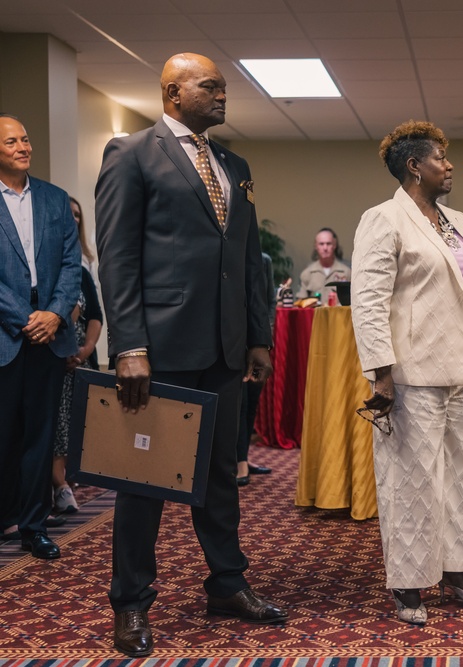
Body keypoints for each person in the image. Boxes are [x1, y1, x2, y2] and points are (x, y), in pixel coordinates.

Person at [95, 53, 286, 657]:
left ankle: (227, 584)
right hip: (160, 348)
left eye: (224, 87)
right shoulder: (132, 154)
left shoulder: (233, 163)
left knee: (220, 477)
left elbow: (253, 259)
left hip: (226, 348)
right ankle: (130, 603)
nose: (222, 95)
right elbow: (118, 257)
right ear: (172, 92)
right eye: (211, 86)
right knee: (144, 482)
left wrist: (259, 335)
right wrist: (128, 344)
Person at [351, 120, 463, 626]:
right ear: (414, 166)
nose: (449, 165)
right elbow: (367, 302)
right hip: (411, 374)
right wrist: (379, 372)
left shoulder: (458, 222)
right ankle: (408, 584)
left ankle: (457, 574)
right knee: (410, 479)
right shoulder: (383, 220)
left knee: (459, 476)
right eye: (440, 157)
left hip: (462, 372)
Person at [0, 113, 80, 558]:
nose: (22, 146)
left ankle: (34, 527)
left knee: (40, 436)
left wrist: (52, 314)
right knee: (4, 435)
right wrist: (26, 317)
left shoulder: (54, 199)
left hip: (51, 335)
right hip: (7, 333)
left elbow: (71, 266)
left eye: (25, 139)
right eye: (11, 141)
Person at [52, 197, 104, 514]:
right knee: (56, 424)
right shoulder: (46, 267)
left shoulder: (82, 270)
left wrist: (84, 351)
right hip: (52, 358)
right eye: (66, 215)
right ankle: (58, 485)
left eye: (77, 216)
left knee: (76, 423)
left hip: (79, 359)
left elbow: (95, 315)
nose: (72, 220)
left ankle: (65, 481)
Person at [236, 251, 276, 486]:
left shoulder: (264, 260)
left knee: (252, 402)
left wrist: (264, 333)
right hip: (234, 340)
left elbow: (270, 300)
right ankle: (238, 461)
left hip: (258, 341)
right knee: (238, 404)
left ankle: (244, 457)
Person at [297, 227, 350, 303]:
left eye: (328, 244)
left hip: (338, 314)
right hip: (315, 314)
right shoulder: (307, 274)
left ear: (334, 245)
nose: (325, 248)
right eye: (321, 244)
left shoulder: (346, 272)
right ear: (316, 246)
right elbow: (301, 303)